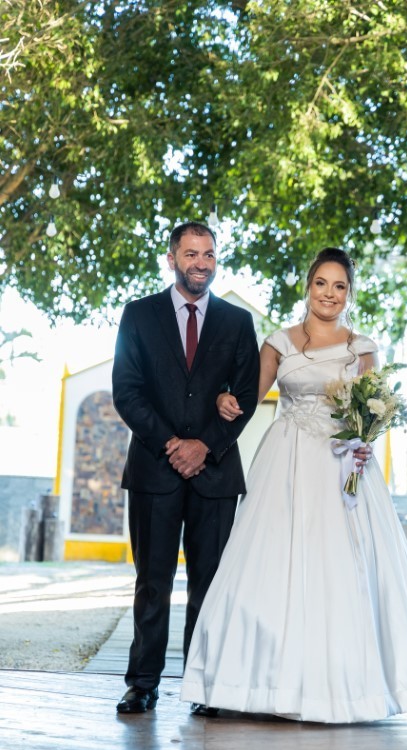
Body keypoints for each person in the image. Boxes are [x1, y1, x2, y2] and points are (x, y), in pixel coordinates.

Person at [180, 247, 407, 723]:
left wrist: (366, 443)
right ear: (308, 287)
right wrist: (224, 399)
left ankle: (343, 690)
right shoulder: (278, 343)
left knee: (342, 571)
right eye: (322, 283)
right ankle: (249, 683)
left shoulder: (363, 348)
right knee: (268, 567)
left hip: (342, 467)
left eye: (339, 286)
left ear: (349, 294)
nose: (329, 293)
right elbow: (248, 398)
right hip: (286, 463)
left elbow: (372, 413)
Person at [112, 221, 260, 714]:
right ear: (172, 258)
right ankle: (142, 683)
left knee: (209, 585)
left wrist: (205, 446)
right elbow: (127, 390)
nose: (201, 263)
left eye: (209, 254)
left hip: (215, 474)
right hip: (154, 470)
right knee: (152, 583)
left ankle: (202, 686)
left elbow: (246, 395)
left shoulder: (237, 322)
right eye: (192, 253)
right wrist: (172, 443)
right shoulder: (138, 314)